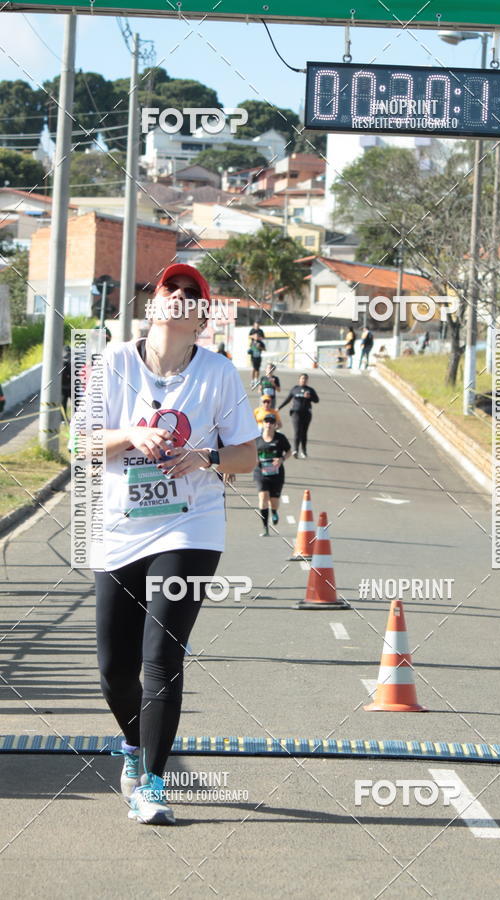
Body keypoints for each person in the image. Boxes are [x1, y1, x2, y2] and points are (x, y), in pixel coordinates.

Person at [88, 262, 259, 826]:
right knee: (114, 669)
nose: (181, 297)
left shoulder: (219, 374)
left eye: (194, 293)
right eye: (172, 289)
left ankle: (153, 783)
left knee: (161, 655)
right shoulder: (112, 363)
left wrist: (203, 457)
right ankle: (136, 748)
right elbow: (83, 445)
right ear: (154, 303)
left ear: (203, 315)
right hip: (120, 526)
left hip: (191, 524)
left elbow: (247, 456)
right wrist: (132, 434)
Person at [254, 414, 292, 537]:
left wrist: (281, 459)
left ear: (275, 425)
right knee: (263, 498)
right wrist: (255, 460)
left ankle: (274, 511)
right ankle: (265, 527)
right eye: (266, 422)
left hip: (277, 473)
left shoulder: (280, 438)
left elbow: (289, 451)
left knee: (273, 501)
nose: (269, 424)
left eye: (271, 422)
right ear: (263, 423)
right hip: (261, 473)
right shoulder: (257, 439)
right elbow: (251, 452)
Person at [278, 373, 319, 458]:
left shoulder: (310, 390)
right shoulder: (295, 389)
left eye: (305, 379)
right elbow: (288, 399)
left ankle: (304, 451)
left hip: (307, 413)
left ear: (307, 380)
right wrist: (279, 408)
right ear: (299, 379)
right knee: (297, 431)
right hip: (296, 413)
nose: (303, 380)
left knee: (304, 432)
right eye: (302, 378)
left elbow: (316, 400)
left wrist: (310, 397)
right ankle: (295, 450)